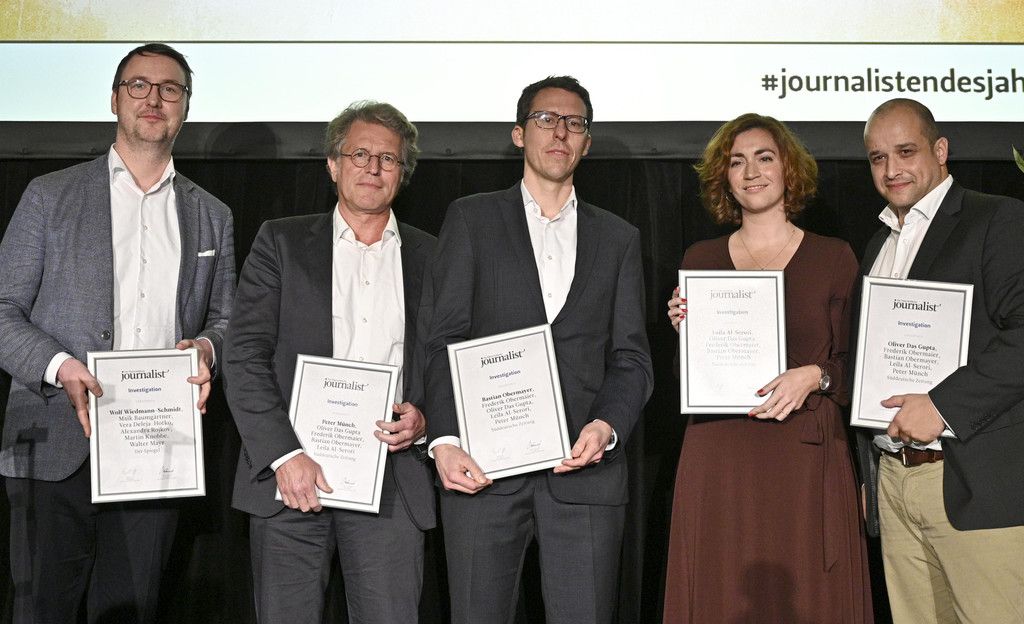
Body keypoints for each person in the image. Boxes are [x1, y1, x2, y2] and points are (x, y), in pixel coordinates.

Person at [0, 43, 235, 623]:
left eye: (170, 89)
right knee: (43, 611)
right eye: (138, 85)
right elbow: (2, 308)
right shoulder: (49, 195)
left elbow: (227, 320)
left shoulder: (212, 214)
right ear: (114, 100)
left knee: (132, 610)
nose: (154, 98)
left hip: (156, 448)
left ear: (186, 106)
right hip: (56, 436)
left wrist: (207, 349)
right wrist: (59, 366)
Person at [422, 76, 652, 624]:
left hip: (585, 475)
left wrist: (607, 427)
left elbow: (631, 358)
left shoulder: (619, 238)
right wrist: (445, 441)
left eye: (575, 123)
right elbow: (443, 341)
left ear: (587, 143)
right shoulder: (471, 219)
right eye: (546, 119)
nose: (560, 132)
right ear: (519, 134)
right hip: (482, 474)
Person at [224, 101, 436, 623]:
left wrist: (426, 417)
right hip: (291, 479)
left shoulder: (434, 256)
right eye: (359, 154)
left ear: (402, 173)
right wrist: (283, 455)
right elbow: (244, 354)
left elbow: (447, 361)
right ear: (333, 164)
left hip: (391, 480)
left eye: (388, 159)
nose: (372, 168)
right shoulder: (281, 242)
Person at [663, 113, 872, 623]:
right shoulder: (700, 259)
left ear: (788, 168)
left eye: (764, 157)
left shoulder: (833, 257)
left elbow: (858, 368)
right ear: (724, 177)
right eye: (737, 162)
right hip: (719, 455)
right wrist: (684, 333)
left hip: (804, 456)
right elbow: (684, 377)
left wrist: (816, 376)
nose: (751, 172)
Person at [854, 98, 1024, 623]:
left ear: (941, 150)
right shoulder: (878, 244)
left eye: (906, 151)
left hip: (974, 481)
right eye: (878, 157)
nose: (892, 169)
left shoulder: (996, 218)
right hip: (895, 481)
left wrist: (942, 406)